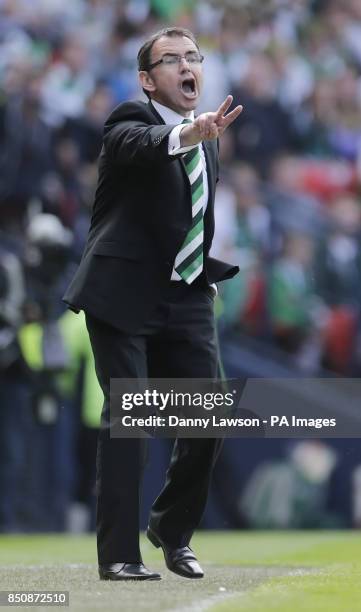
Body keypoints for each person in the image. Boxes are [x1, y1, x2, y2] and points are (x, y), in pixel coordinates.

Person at [63, 26, 242, 581]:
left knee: (208, 420)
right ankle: (118, 555)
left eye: (194, 56)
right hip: (123, 297)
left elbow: (193, 218)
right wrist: (189, 132)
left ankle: (171, 531)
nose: (188, 66)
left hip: (185, 295)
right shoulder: (128, 121)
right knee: (132, 422)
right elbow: (141, 148)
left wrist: (202, 276)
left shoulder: (209, 137)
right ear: (147, 79)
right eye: (172, 60)